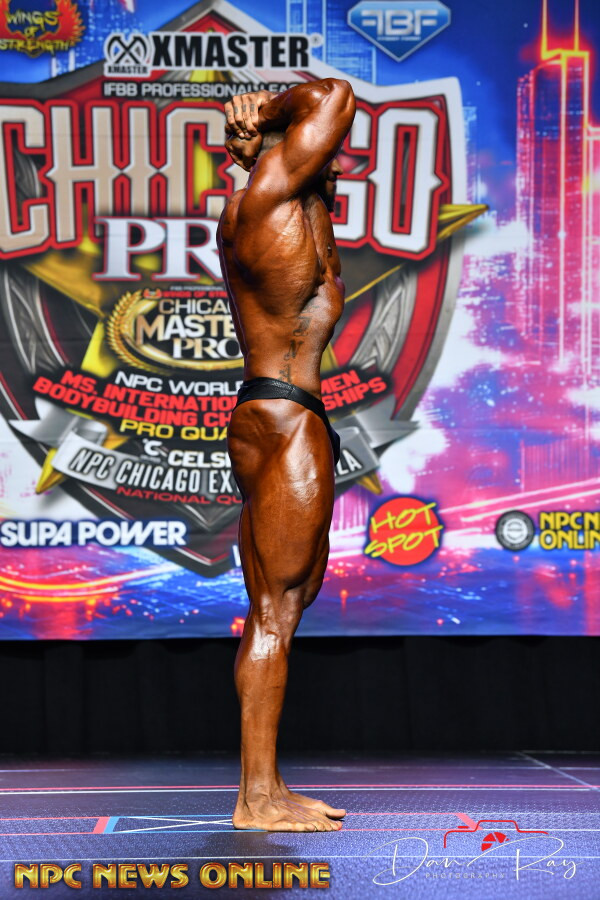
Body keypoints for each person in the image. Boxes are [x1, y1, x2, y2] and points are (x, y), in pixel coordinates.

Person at [217, 79, 356, 832]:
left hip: (279, 412)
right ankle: (256, 800)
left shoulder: (271, 199)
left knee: (280, 607)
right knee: (277, 610)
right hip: (283, 416)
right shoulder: (267, 197)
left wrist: (257, 148)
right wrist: (263, 115)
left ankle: (266, 787)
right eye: (327, 154)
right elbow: (333, 93)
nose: (338, 163)